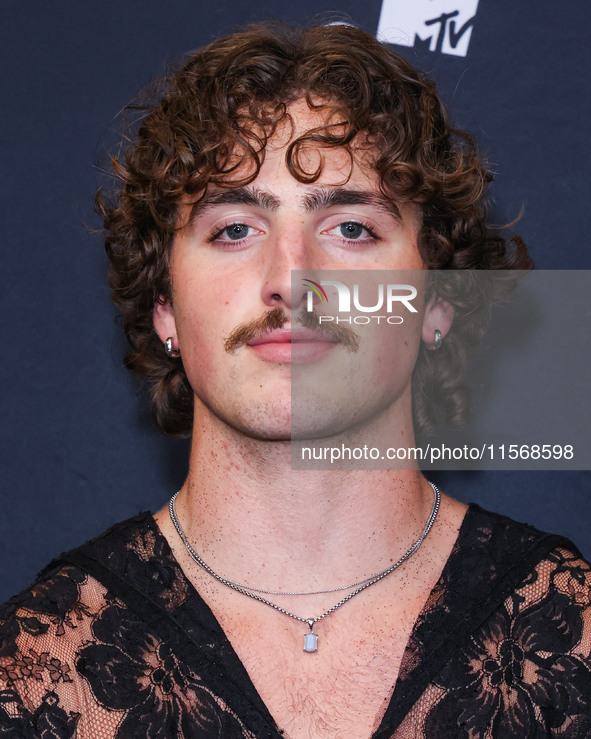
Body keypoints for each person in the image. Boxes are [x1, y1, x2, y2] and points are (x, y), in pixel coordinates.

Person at [0, 22, 589, 738]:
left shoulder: (575, 642)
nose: (289, 278)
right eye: (233, 229)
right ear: (165, 309)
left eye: (350, 229)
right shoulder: (33, 676)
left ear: (438, 303)